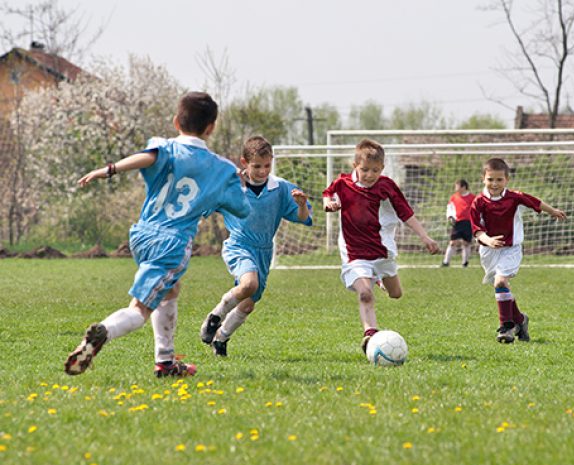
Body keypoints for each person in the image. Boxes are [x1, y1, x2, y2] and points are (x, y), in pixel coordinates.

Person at [64, 91, 251, 377]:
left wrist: (109, 169)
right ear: (211, 127)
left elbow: (146, 158)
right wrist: (236, 185)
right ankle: (103, 332)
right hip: (171, 244)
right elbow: (242, 210)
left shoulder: (165, 148)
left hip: (141, 235)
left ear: (176, 121)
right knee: (139, 309)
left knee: (170, 290)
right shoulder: (222, 169)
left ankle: (165, 362)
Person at [322, 139, 439, 353]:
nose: (369, 175)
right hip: (354, 253)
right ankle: (370, 334)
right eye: (364, 169)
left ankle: (378, 279)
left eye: (375, 170)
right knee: (365, 293)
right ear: (355, 166)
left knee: (395, 294)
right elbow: (327, 194)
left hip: (381, 251)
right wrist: (328, 203)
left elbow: (406, 214)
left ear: (382, 168)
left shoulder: (386, 186)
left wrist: (425, 237)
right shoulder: (343, 183)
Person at [200, 135, 312, 356]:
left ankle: (221, 339)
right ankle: (214, 317)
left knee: (248, 304)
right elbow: (204, 203)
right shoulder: (231, 186)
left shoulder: (280, 188)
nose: (262, 171)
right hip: (239, 245)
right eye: (257, 166)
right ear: (244, 163)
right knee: (249, 284)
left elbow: (303, 217)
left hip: (263, 251)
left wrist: (301, 206)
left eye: (267, 165)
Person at [469, 158, 566, 344]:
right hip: (489, 251)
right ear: (483, 179)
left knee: (500, 281)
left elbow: (535, 203)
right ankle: (520, 320)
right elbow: (476, 229)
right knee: (501, 286)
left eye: (499, 179)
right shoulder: (478, 202)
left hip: (511, 249)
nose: (494, 184)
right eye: (490, 179)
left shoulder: (514, 197)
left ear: (507, 179)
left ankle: (506, 327)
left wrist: (552, 211)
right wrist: (488, 240)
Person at [441, 179, 475, 267]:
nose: (455, 188)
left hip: (468, 223)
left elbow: (477, 210)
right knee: (453, 242)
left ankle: (465, 263)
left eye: (457, 186)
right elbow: (450, 208)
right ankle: (446, 262)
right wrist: (450, 216)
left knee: (466, 243)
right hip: (457, 223)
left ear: (463, 187)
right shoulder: (454, 197)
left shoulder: (472, 198)